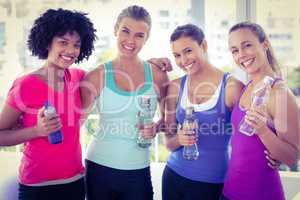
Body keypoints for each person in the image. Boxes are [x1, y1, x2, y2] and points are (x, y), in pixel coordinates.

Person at [0, 8, 97, 200]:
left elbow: (108, 73)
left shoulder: (78, 77)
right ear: (47, 43)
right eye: (63, 42)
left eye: (77, 45)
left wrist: (149, 64)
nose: (71, 51)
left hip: (75, 181)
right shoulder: (26, 85)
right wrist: (36, 131)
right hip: (38, 186)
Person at [80, 5, 168, 200]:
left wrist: (156, 127)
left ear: (146, 38)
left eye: (139, 35)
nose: (130, 40)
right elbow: (76, 123)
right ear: (116, 30)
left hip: (138, 170)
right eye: (125, 31)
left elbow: (168, 121)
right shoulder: (97, 76)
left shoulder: (158, 75)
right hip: (98, 167)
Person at [162, 24, 244, 200]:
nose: (183, 60)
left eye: (188, 51)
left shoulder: (232, 87)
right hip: (173, 177)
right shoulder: (176, 87)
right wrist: (179, 139)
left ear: (204, 46)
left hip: (212, 183)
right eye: (177, 55)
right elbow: (168, 143)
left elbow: (247, 137)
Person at [221, 21, 300, 200]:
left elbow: (291, 157)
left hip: (260, 194)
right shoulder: (247, 87)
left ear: (264, 44)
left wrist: (263, 131)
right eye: (234, 50)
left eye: (247, 45)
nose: (241, 55)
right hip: (229, 192)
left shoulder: (280, 93)